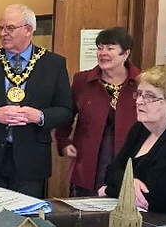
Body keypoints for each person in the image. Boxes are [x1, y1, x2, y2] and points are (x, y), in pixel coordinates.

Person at [0, 4, 73, 198]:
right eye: (0, 28)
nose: (3, 33)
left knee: (25, 223)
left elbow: (65, 110)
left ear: (28, 30)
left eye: (10, 28)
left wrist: (39, 116)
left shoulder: (53, 64)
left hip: (31, 161)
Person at [99, 65, 166, 227]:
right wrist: (128, 184)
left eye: (150, 96)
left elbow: (154, 197)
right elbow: (111, 171)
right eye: (139, 94)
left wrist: (110, 189)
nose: (139, 101)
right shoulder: (141, 128)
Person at [55, 27, 140, 196]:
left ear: (126, 53)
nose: (103, 53)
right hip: (89, 162)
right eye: (100, 48)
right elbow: (66, 115)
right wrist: (63, 141)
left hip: (128, 161)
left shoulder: (141, 82)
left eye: (110, 48)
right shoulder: (82, 80)